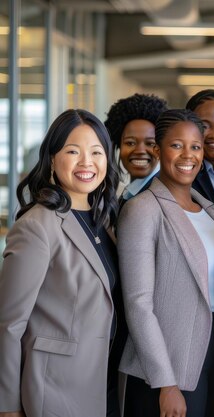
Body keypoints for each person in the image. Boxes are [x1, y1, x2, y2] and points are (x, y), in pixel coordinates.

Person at [117, 109, 214, 417]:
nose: (188, 155)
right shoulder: (143, 210)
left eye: (196, 146)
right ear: (158, 150)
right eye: (177, 145)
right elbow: (138, 303)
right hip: (167, 363)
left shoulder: (209, 210)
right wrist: (166, 383)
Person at [0, 109, 120, 417]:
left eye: (96, 152)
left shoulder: (105, 222)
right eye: (72, 151)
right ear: (52, 159)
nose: (86, 162)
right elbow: (8, 325)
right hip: (54, 387)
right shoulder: (37, 226)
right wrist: (7, 405)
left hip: (104, 382)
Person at [104, 93, 168, 206]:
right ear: (119, 145)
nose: (140, 150)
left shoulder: (157, 199)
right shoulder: (131, 191)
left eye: (150, 143)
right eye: (130, 143)